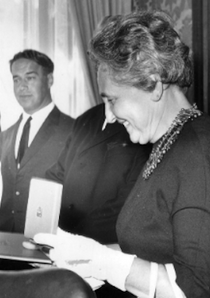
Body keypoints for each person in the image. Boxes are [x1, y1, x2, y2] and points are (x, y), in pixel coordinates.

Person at [34, 11, 210, 298]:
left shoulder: (200, 152)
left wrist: (101, 262)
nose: (110, 117)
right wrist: (82, 258)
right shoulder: (171, 143)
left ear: (152, 82)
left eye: (112, 100)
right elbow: (150, 252)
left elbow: (195, 290)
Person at [45, 103, 151, 297]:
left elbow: (129, 208)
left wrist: (75, 246)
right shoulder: (86, 119)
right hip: (66, 261)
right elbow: (56, 175)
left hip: (110, 268)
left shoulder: (141, 122)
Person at [0, 49, 74, 269]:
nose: (22, 86)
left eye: (30, 78)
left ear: (49, 79)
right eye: (16, 79)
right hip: (5, 253)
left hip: (48, 257)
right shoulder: (6, 135)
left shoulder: (73, 131)